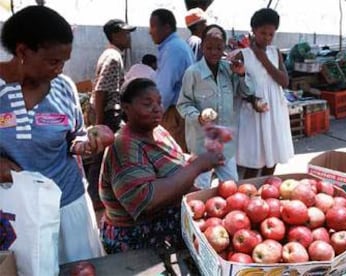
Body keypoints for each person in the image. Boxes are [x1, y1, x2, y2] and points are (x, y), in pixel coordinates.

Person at [0, 6, 105, 263]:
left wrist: (86, 143)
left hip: (68, 206)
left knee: (80, 268)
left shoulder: (64, 88)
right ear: (23, 51)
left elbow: (75, 136)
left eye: (64, 62)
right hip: (15, 214)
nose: (59, 69)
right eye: (52, 61)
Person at [99, 78, 224, 253]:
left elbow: (173, 165)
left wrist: (195, 160)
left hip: (170, 225)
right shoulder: (124, 146)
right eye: (147, 104)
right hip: (137, 240)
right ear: (126, 108)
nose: (157, 108)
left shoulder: (158, 131)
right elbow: (145, 201)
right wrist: (196, 167)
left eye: (159, 102)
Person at [177, 24, 266, 189]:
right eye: (209, 47)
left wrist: (241, 74)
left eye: (218, 48)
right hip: (201, 144)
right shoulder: (193, 73)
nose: (213, 52)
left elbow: (247, 91)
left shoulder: (229, 70)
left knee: (231, 185)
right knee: (200, 186)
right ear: (202, 46)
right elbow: (183, 104)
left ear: (224, 47)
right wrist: (198, 116)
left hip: (225, 144)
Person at [236, 8, 294, 179]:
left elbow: (284, 81)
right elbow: (239, 86)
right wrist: (252, 100)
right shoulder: (243, 55)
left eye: (271, 34)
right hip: (254, 110)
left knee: (273, 152)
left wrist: (263, 58)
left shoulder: (275, 53)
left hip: (274, 107)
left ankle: (268, 187)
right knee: (255, 157)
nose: (267, 38)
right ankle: (248, 191)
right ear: (253, 30)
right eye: (263, 33)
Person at [87, 19, 136, 209]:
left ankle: (101, 195)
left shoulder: (111, 54)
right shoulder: (113, 57)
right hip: (108, 114)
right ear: (115, 35)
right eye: (125, 33)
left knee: (106, 157)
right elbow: (100, 90)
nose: (129, 37)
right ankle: (95, 198)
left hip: (108, 114)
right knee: (102, 157)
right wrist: (100, 123)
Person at [149, 8, 195, 152]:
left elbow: (164, 89)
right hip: (179, 112)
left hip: (175, 114)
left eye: (153, 26)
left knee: (173, 160)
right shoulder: (174, 46)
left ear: (167, 27)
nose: (150, 31)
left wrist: (152, 116)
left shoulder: (173, 49)